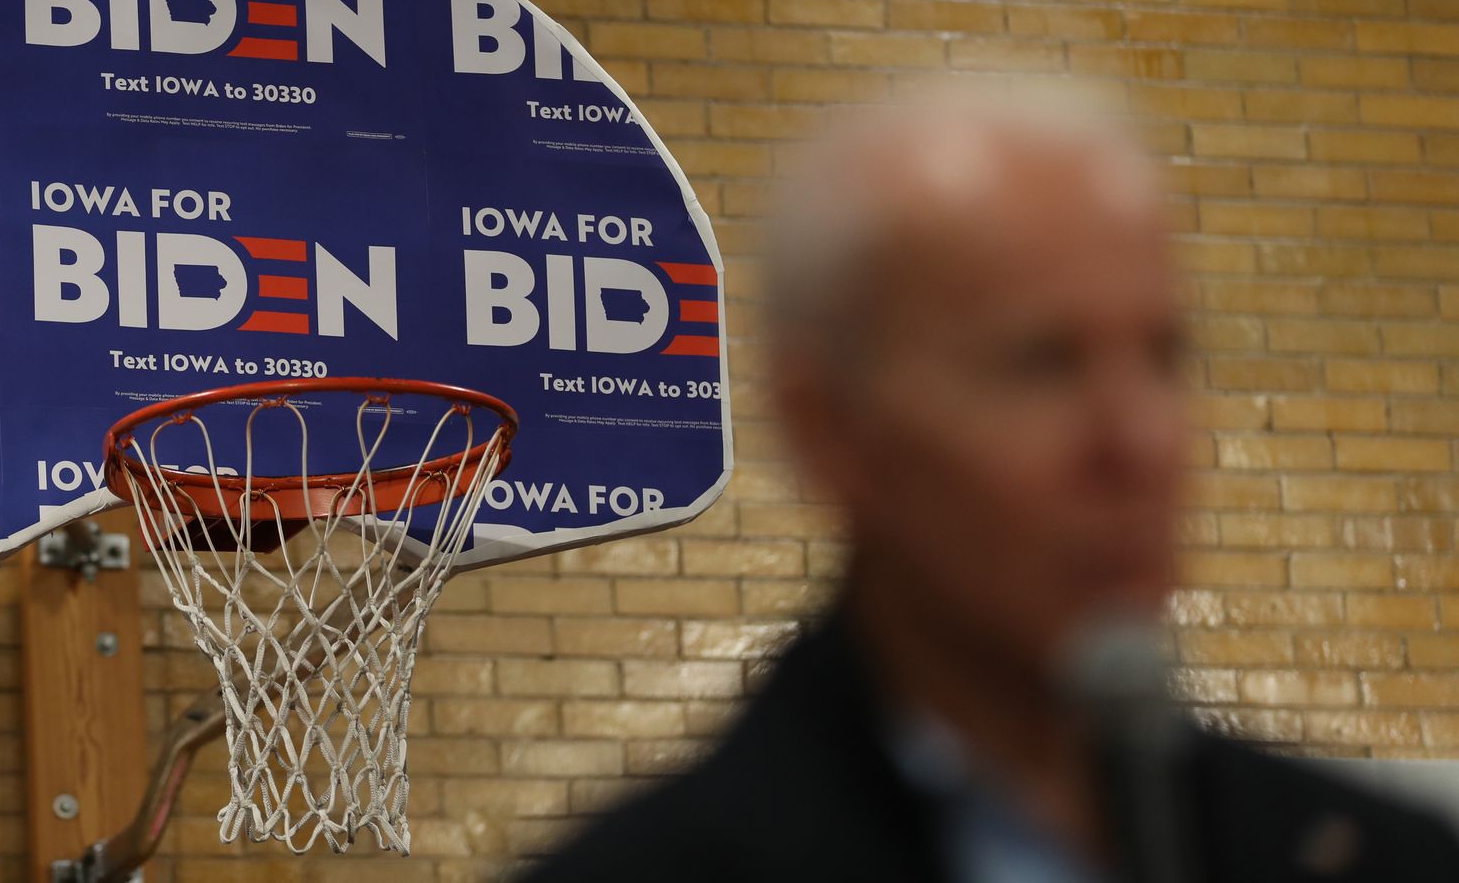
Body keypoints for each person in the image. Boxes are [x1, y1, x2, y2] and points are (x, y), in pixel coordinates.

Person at [519, 97, 1459, 881]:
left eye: (1165, 357)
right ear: (832, 431)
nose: (1139, 442)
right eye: (1041, 364)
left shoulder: (1382, 859)